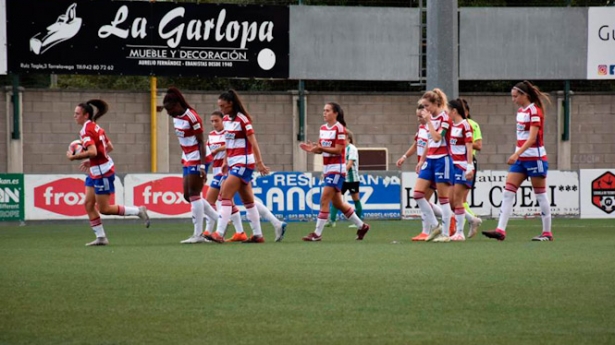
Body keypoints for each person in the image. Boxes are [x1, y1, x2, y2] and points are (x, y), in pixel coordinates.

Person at [66, 99, 149, 246]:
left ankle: (138, 211)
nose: (74, 116)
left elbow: (92, 151)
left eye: (77, 113)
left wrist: (74, 157)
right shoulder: (95, 127)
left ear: (86, 115)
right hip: (95, 170)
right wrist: (91, 160)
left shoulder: (86, 130)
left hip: (102, 173)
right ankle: (101, 238)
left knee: (104, 209)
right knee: (88, 204)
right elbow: (109, 147)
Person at [483, 81, 553, 241]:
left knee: (540, 195)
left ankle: (547, 232)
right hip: (520, 159)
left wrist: (516, 154)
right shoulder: (521, 112)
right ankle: (500, 230)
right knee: (508, 192)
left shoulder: (534, 111)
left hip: (535, 158)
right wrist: (518, 155)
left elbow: (532, 138)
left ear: (524, 95)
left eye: (515, 96)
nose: (513, 99)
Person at [205, 90, 277, 244]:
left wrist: (260, 163)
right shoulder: (226, 119)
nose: (221, 109)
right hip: (233, 163)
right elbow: (229, 144)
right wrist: (225, 161)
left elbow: (253, 142)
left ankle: (219, 233)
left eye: (223, 106)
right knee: (247, 200)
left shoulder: (243, 120)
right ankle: (258, 235)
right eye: (219, 106)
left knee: (225, 195)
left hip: (244, 163)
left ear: (231, 104)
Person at [299, 102, 370, 241]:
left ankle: (317, 234)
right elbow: (321, 148)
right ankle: (362, 226)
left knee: (324, 199)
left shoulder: (340, 129)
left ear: (335, 113)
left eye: (327, 110)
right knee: (338, 203)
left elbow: (338, 150)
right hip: (328, 168)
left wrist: (320, 148)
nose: (324, 113)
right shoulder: (323, 128)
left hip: (337, 169)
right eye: (323, 110)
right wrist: (313, 149)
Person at [163, 87, 219, 244]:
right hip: (187, 157)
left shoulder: (192, 117)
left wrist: (202, 165)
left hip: (198, 157)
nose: (169, 113)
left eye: (171, 109)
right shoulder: (175, 117)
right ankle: (219, 219)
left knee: (194, 194)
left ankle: (198, 235)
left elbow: (201, 142)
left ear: (178, 104)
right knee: (188, 195)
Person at [397, 103, 445, 241]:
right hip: (424, 166)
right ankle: (433, 227)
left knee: (422, 197)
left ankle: (429, 229)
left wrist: (423, 161)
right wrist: (404, 157)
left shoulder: (433, 128)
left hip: (432, 165)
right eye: (417, 116)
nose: (419, 119)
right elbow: (416, 144)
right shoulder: (421, 128)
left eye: (420, 116)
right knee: (423, 199)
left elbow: (432, 145)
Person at [412, 88, 453, 243]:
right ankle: (436, 226)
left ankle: (446, 234)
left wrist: (429, 121)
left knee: (443, 199)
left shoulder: (445, 118)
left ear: (436, 104)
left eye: (427, 106)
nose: (425, 110)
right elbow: (429, 143)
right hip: (430, 160)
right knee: (417, 194)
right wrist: (422, 160)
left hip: (443, 160)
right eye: (423, 106)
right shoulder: (430, 120)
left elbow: (436, 138)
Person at [447, 99, 482, 241]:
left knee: (458, 200)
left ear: (454, 111)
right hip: (451, 165)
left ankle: (459, 232)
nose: (446, 113)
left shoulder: (465, 126)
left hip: (462, 166)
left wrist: (469, 166)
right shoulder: (451, 126)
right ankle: (472, 220)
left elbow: (469, 147)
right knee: (450, 202)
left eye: (448, 110)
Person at [326, 129, 362, 228]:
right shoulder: (341, 149)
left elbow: (350, 163)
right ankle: (332, 221)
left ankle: (358, 222)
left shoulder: (352, 148)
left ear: (349, 139)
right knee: (335, 198)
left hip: (352, 179)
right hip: (342, 179)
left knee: (356, 199)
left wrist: (342, 171)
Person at [461, 99, 483, 235]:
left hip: (467, 161)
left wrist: (464, 142)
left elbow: (479, 145)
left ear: (467, 112)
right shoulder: (453, 125)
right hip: (454, 161)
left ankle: (467, 223)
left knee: (460, 199)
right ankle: (468, 221)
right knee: (457, 199)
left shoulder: (472, 125)